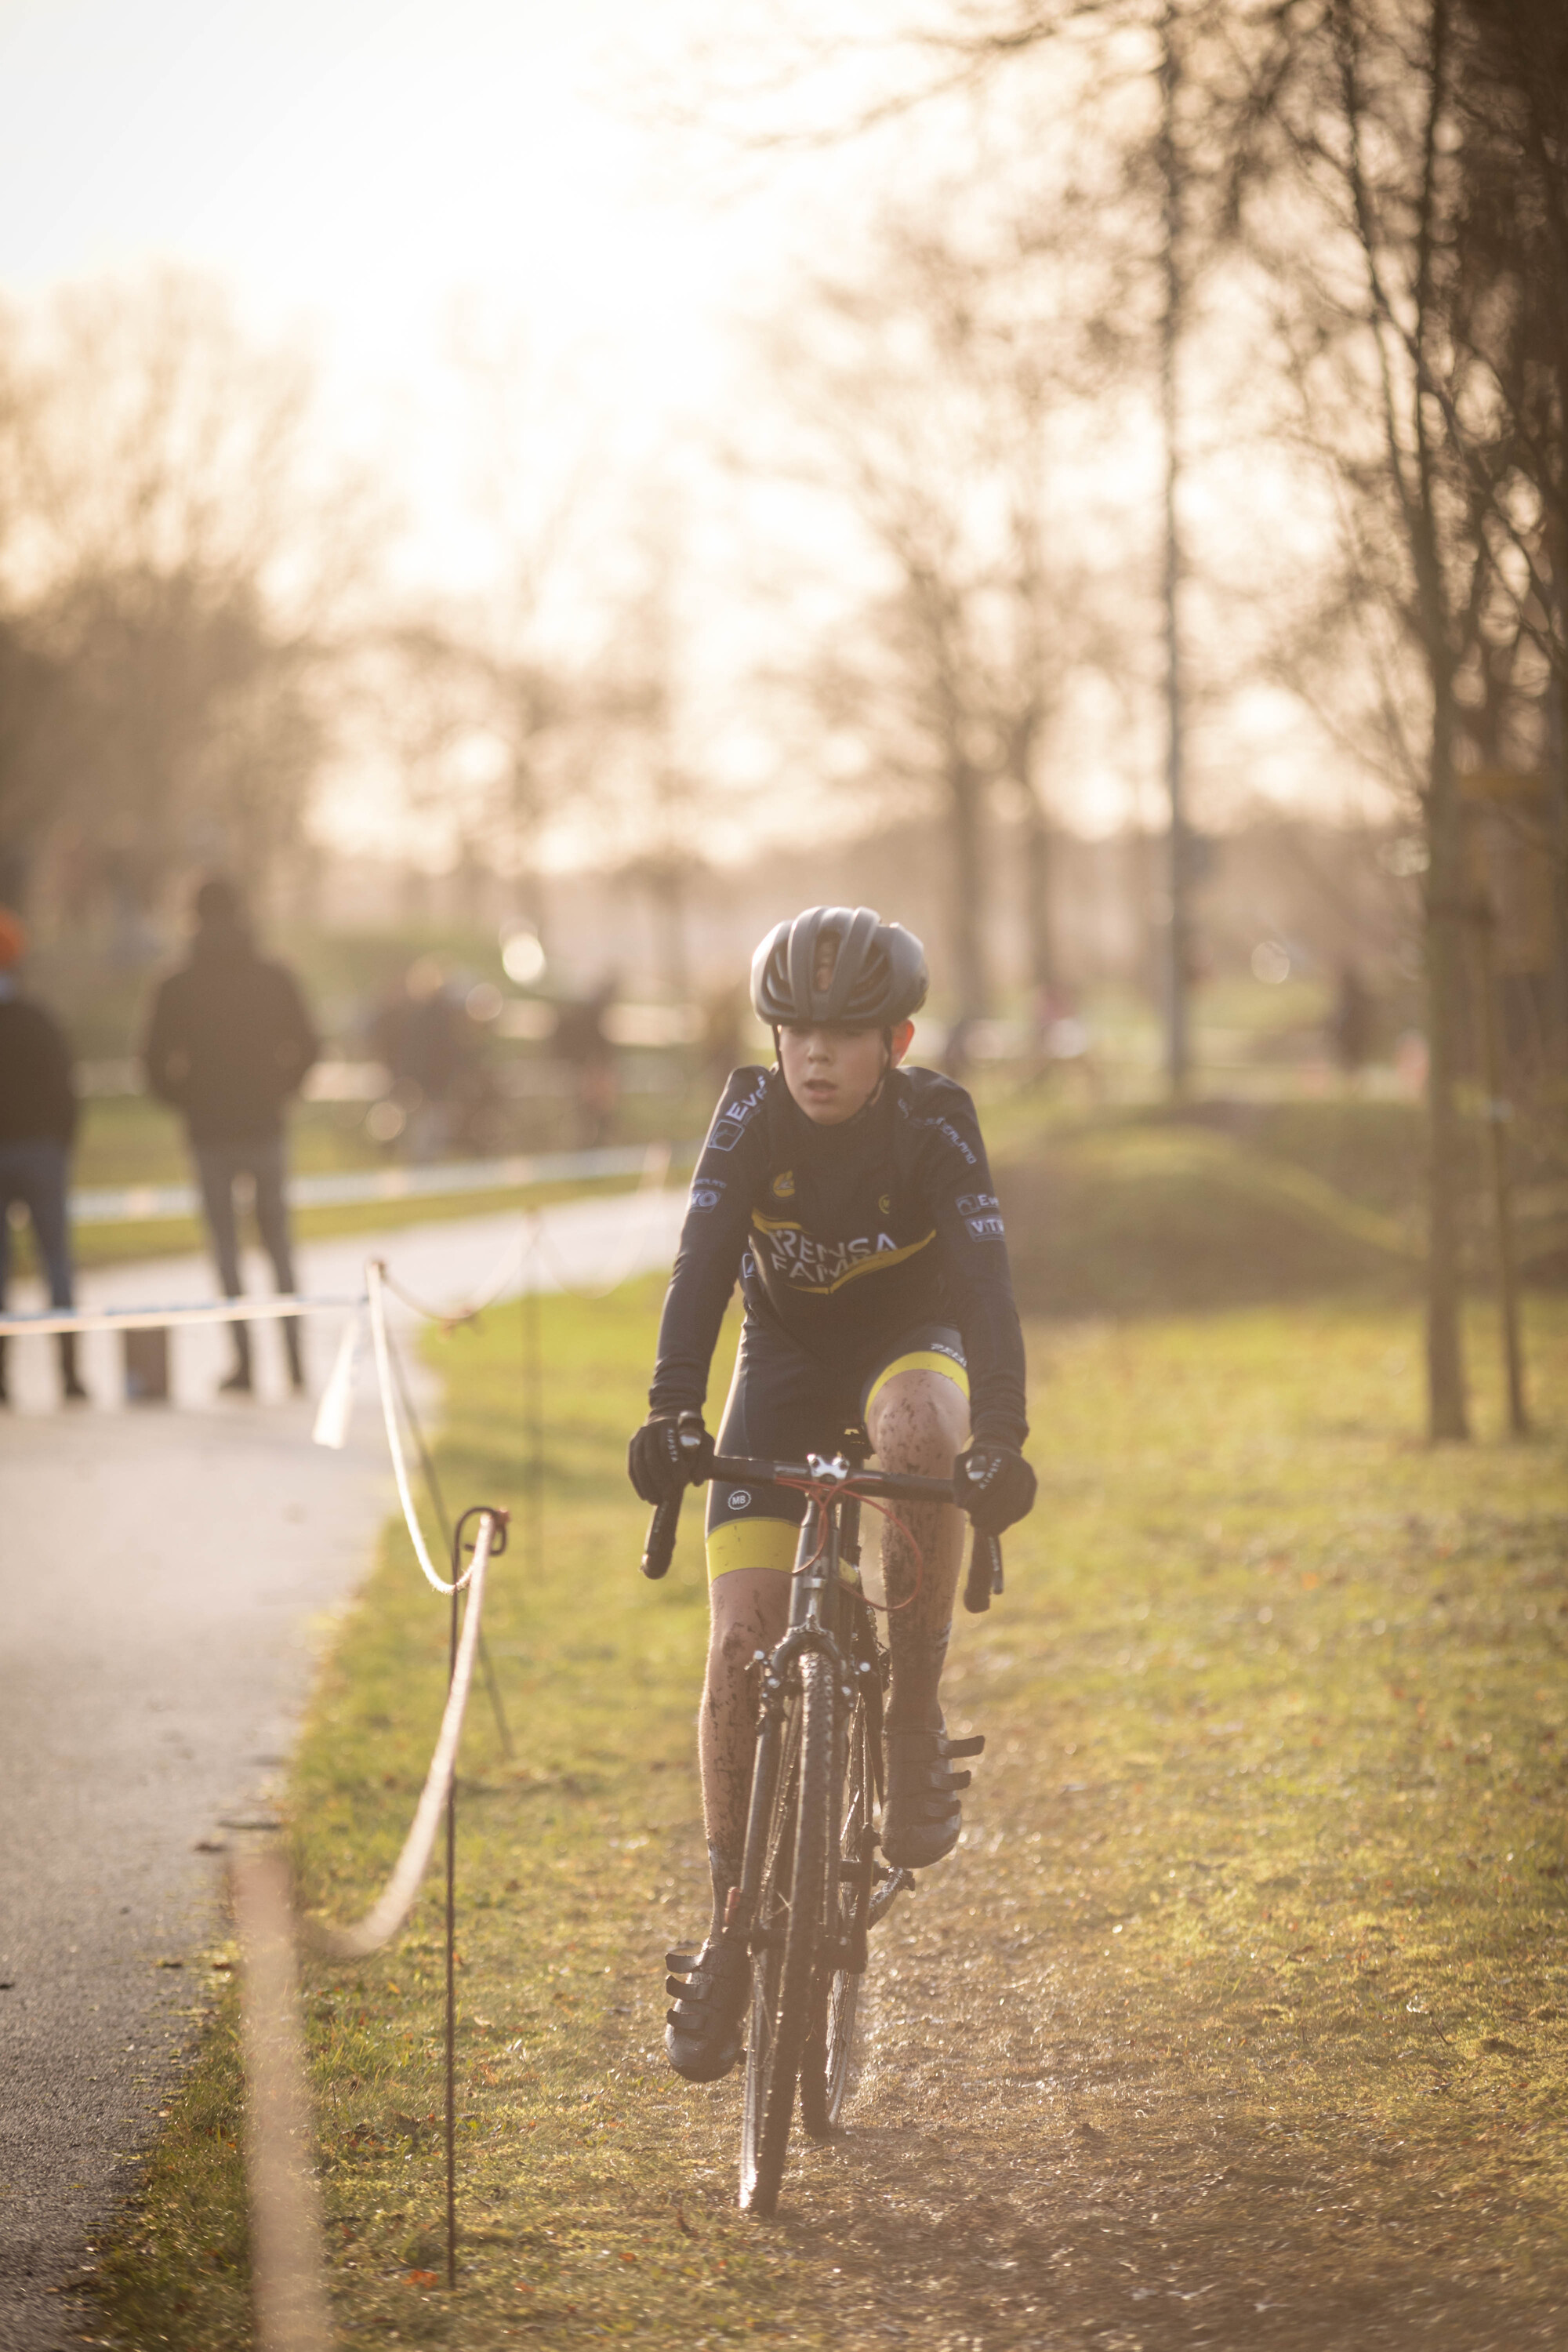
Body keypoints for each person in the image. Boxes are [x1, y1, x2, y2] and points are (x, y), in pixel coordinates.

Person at [627, 905, 1036, 2082]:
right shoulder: (751, 1114)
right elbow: (701, 1267)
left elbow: (989, 1287)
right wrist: (671, 1412)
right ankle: (729, 1929)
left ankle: (909, 1719)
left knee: (919, 1430)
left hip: (911, 1346)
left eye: (843, 1032)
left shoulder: (939, 1123)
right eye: (793, 1027)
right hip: (787, 1366)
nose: (812, 1052)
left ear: (895, 1042)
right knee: (742, 1637)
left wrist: (998, 1439)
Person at [143, 877, 319, 1394]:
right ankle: (295, 1363)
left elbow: (152, 1062)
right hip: (264, 1126)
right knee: (279, 1246)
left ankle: (245, 1364)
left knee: (227, 1252)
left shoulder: (176, 982)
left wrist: (189, 1102)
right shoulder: (274, 975)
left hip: (210, 1132)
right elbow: (308, 1045)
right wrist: (280, 1091)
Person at [0, 907, 87, 1406]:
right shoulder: (37, 1019)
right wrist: (61, 1144)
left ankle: (3, 1379)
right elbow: (65, 1088)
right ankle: (68, 1374)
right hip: (40, 1152)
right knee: (57, 1263)